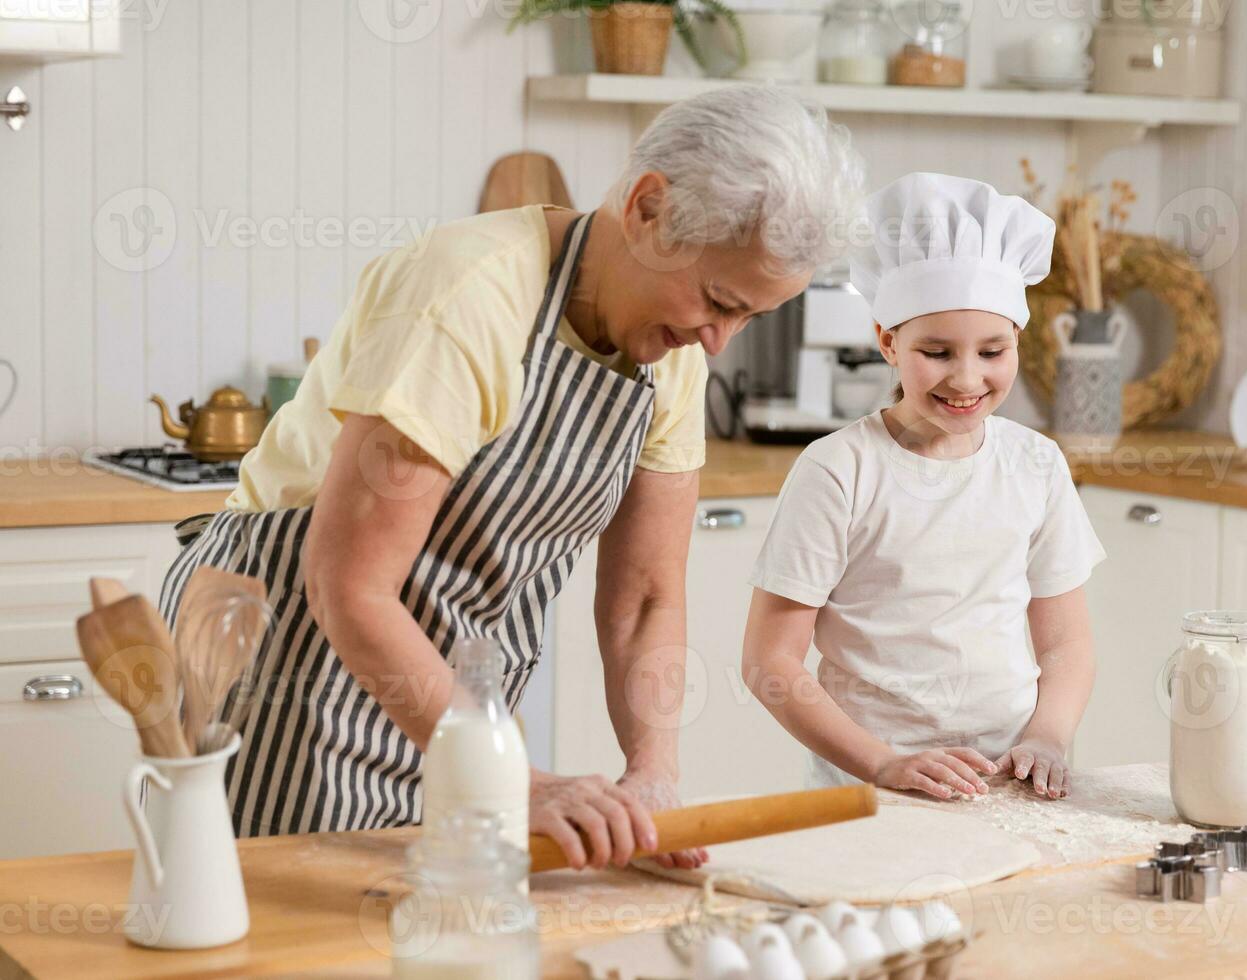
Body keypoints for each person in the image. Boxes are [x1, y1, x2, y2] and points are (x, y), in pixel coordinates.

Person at [157, 85, 865, 869]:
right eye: (717, 300)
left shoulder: (675, 352)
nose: (721, 341)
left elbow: (645, 599)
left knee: (439, 924)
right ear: (648, 208)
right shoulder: (467, 295)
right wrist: (512, 778)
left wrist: (654, 778)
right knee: (292, 930)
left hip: (447, 684)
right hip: (287, 653)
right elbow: (347, 585)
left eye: (749, 317)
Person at [741, 172, 1104, 802]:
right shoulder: (839, 471)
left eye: (992, 352)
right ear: (887, 341)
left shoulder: (1036, 465)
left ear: (1017, 341)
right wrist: (884, 764)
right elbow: (769, 663)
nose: (967, 378)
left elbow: (1067, 642)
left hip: (1008, 782)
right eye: (937, 351)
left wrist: (1048, 737)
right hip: (870, 788)